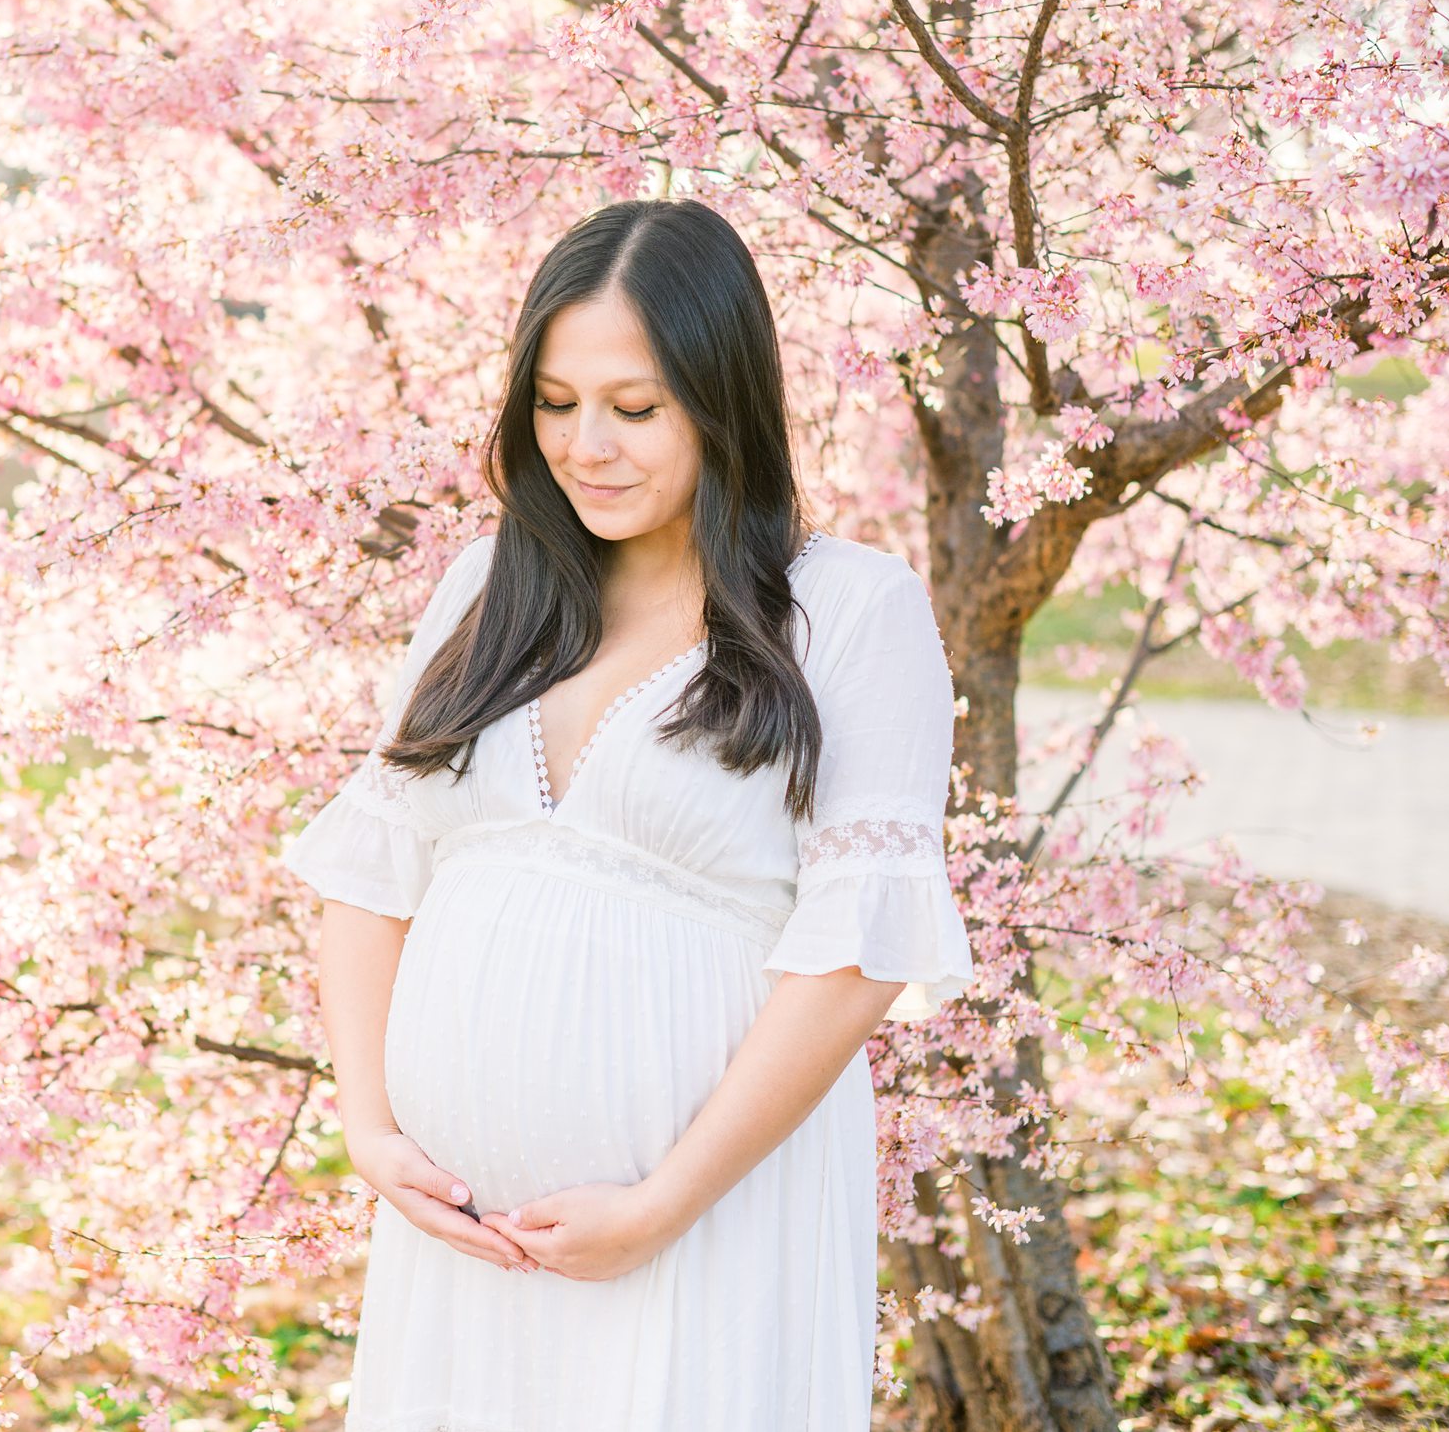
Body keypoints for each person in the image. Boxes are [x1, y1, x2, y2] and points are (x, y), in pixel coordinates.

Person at [280, 197, 979, 1431]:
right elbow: (374, 870)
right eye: (555, 403)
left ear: (724, 400)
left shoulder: (850, 613)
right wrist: (370, 1129)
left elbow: (859, 948)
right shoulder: (491, 591)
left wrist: (663, 1203)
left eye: (635, 408)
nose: (587, 444)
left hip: (702, 1220)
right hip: (464, 1236)